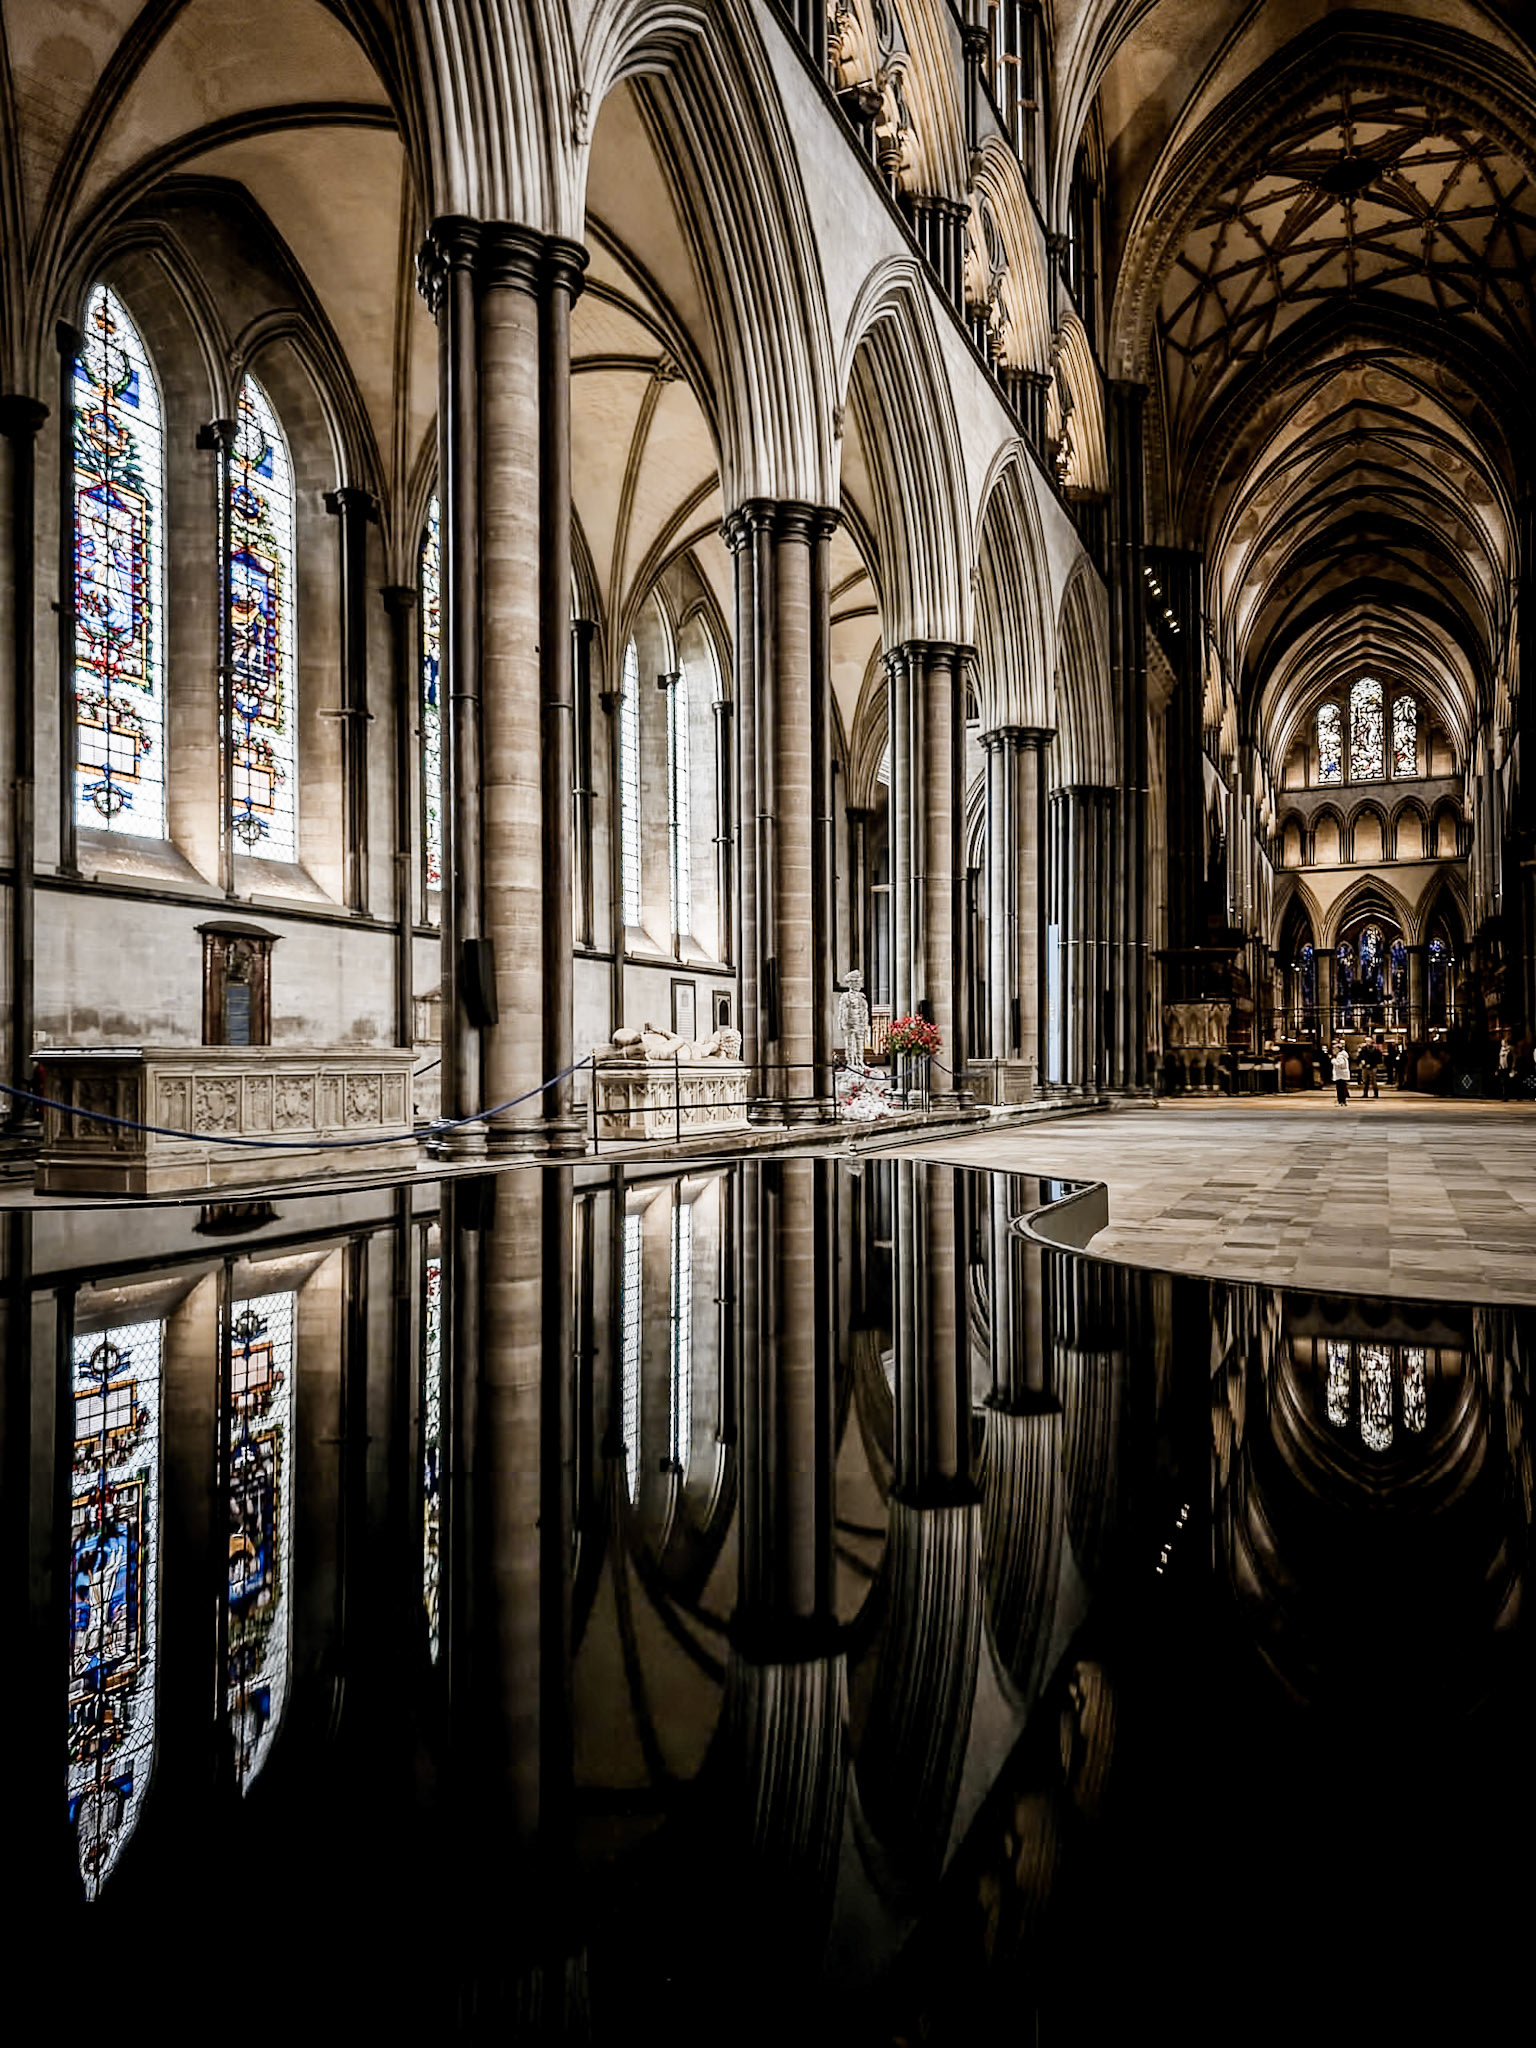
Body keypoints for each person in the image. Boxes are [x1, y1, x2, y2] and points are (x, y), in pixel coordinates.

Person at [1358, 1035, 1383, 1100]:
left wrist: (1370, 1064)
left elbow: (1377, 1059)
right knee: (1365, 1081)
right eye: (1366, 1041)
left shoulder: (1374, 1050)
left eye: (1368, 1041)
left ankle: (1376, 1093)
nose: (1367, 1042)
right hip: (1365, 1066)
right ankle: (1365, 1093)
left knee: (1373, 1081)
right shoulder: (1363, 1049)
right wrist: (1361, 1061)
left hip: (1373, 1067)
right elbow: (1360, 1056)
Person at [1331, 1041, 1351, 1106]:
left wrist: (1334, 1061)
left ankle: (1341, 1102)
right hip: (1342, 1074)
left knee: (1340, 1089)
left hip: (1340, 1075)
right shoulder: (1343, 1055)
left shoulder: (1340, 1056)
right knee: (1342, 1088)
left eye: (1334, 1049)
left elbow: (1341, 1065)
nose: (1333, 1050)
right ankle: (1343, 1102)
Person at [1498, 1029, 1514, 1101]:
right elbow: (1499, 1059)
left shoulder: (1509, 1050)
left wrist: (1512, 1069)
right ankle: (1503, 1096)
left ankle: (1507, 1096)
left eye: (1503, 1042)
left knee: (1507, 1083)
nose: (1502, 1044)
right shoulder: (1501, 1050)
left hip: (1507, 1068)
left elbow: (1512, 1059)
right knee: (1503, 1083)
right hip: (1502, 1068)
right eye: (1502, 1043)